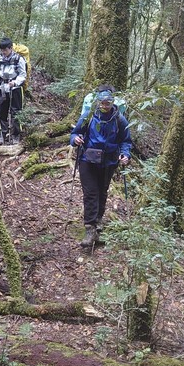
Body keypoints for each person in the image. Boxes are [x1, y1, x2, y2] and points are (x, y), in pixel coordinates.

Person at [69, 84, 132, 248]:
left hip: (109, 161)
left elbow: (126, 141)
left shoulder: (119, 119)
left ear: (112, 102)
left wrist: (125, 154)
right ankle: (90, 228)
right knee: (91, 193)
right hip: (87, 160)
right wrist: (75, 140)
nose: (105, 106)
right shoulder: (88, 116)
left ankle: (97, 222)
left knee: (102, 192)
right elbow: (75, 133)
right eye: (102, 103)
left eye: (107, 103)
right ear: (97, 102)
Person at [0, 38, 26, 145]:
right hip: (2, 87)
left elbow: (23, 75)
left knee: (16, 111)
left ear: (11, 48)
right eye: (2, 50)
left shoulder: (19, 59)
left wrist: (15, 82)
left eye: (5, 50)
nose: (3, 52)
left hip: (15, 88)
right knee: (1, 111)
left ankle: (16, 135)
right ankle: (2, 133)